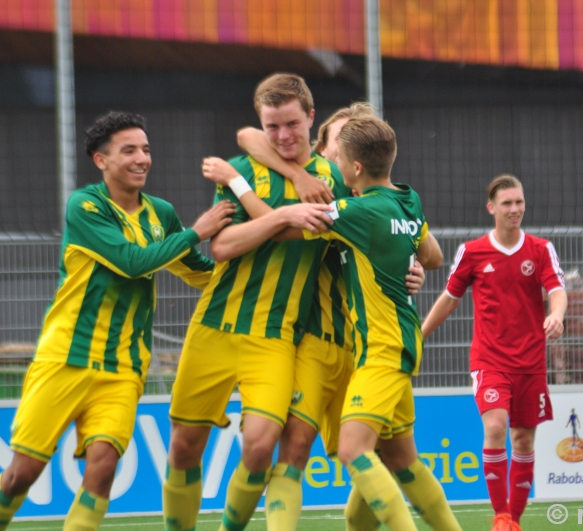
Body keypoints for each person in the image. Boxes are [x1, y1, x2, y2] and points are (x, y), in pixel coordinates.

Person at [0, 111, 234, 531]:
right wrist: (196, 230)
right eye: (129, 150)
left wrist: (253, 252)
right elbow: (130, 262)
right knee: (22, 475)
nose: (142, 158)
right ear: (101, 160)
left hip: (124, 368)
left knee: (103, 468)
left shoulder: (160, 213)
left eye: (145, 149)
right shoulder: (85, 205)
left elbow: (198, 271)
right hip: (65, 359)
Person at [203, 101, 432, 531]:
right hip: (318, 344)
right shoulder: (326, 189)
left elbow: (427, 249)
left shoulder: (367, 205)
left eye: (353, 140)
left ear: (358, 161)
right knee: (294, 449)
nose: (343, 150)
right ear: (324, 149)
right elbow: (249, 136)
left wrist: (414, 267)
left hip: (367, 352)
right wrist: (296, 174)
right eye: (339, 139)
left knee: (390, 457)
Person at [161, 73, 342, 531]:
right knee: (184, 446)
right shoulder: (243, 168)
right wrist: (283, 210)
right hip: (215, 328)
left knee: (260, 447)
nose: (282, 136)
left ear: (311, 119)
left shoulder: (331, 180)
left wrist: (408, 270)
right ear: (262, 125)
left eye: (292, 125)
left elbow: (323, 236)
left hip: (276, 338)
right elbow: (222, 246)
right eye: (272, 126)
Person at [277, 115, 461, 531]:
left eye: (340, 158)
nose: (336, 165)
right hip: (396, 342)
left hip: (381, 348)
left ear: (355, 168)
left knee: (353, 450)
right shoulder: (407, 198)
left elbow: (284, 228)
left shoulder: (357, 211)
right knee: (396, 463)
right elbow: (427, 252)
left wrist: (242, 190)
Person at [421, 174, 567, 531]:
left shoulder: (540, 249)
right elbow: (449, 299)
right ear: (492, 208)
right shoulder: (472, 252)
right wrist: (418, 335)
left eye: (519, 202)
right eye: (507, 203)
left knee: (523, 438)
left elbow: (557, 289)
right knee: (496, 426)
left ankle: (513, 521)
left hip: (531, 362)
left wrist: (556, 315)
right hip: (490, 360)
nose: (515, 209)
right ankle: (501, 515)